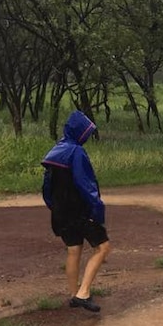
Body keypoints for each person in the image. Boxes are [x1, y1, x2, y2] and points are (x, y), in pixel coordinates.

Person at [42, 110, 111, 313]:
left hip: (60, 213)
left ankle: (74, 295)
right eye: (87, 132)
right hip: (80, 211)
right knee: (103, 248)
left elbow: (46, 187)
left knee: (74, 250)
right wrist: (97, 211)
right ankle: (83, 293)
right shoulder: (77, 152)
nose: (88, 136)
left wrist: (54, 208)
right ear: (81, 132)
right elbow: (86, 185)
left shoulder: (55, 152)